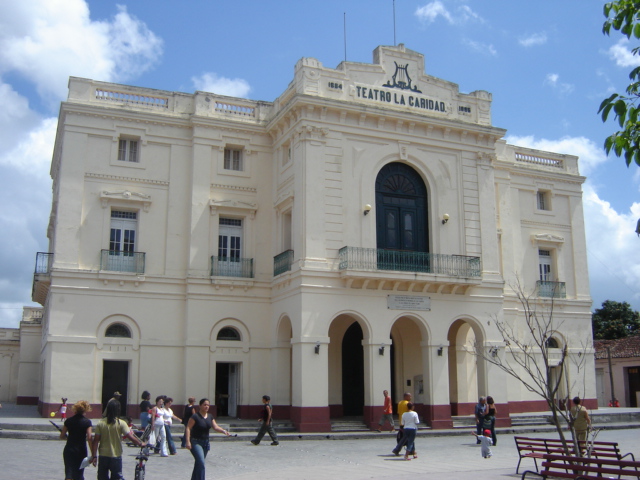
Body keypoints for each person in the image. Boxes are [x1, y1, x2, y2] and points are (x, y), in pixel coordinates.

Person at [91, 399, 144, 479]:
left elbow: (96, 441)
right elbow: (130, 437)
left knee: (102, 477)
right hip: (116, 455)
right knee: (117, 477)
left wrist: (94, 456)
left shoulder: (101, 423)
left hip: (103, 455)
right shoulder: (121, 423)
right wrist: (140, 443)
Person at [185, 398, 230, 480]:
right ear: (200, 406)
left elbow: (215, 427)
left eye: (208, 405)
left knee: (199, 463)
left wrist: (223, 431)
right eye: (205, 405)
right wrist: (188, 441)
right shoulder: (195, 416)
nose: (206, 406)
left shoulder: (210, 416)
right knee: (201, 462)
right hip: (195, 442)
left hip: (205, 443)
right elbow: (188, 428)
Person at [60, 400, 92, 480]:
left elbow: (62, 436)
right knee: (79, 474)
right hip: (81, 450)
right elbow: (89, 437)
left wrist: (67, 437)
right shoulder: (87, 422)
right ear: (85, 410)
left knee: (69, 472)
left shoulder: (69, 421)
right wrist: (93, 453)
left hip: (69, 449)